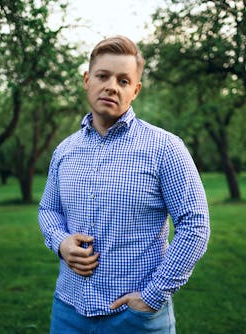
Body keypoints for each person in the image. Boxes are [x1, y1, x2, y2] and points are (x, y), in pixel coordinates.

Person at [38, 35, 210, 334]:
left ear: (135, 90)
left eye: (123, 80)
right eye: (103, 76)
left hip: (135, 318)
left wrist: (152, 296)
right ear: (87, 79)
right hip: (68, 310)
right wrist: (60, 241)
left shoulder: (165, 148)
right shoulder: (64, 150)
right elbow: (49, 209)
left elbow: (194, 224)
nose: (111, 86)